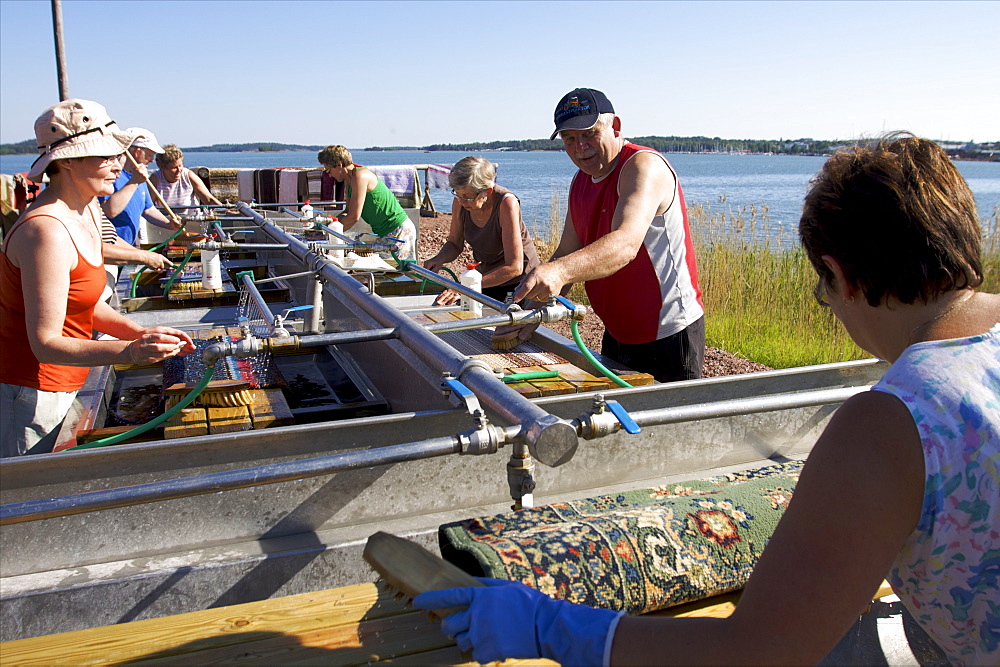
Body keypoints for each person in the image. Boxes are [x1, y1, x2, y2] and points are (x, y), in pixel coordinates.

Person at [413, 134, 1000, 665]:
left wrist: (548, 627)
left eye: (823, 293)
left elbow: (758, 653)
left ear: (838, 274)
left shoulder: (889, 424)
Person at [0, 100, 196, 458]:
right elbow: (45, 342)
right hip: (29, 393)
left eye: (117, 154)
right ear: (67, 161)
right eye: (105, 156)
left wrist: (139, 333)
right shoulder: (47, 230)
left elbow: (84, 304)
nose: (118, 164)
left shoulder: (86, 208)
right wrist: (129, 351)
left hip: (65, 381)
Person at [511, 88, 704, 382]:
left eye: (589, 134)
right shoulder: (581, 181)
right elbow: (567, 251)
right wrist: (528, 315)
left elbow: (625, 244)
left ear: (615, 126)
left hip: (668, 332)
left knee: (672, 423)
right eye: (569, 139)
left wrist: (559, 272)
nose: (580, 147)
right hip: (617, 332)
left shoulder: (643, 166)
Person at [423, 156, 542, 347]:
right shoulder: (461, 203)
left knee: (511, 339)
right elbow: (454, 243)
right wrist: (438, 259)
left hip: (520, 285)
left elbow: (514, 267)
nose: (462, 201)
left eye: (468, 196)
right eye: (457, 194)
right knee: (474, 331)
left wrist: (466, 288)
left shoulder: (506, 203)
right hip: (486, 278)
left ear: (487, 190)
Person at [317, 145, 417, 260]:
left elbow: (354, 217)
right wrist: (328, 227)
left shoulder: (360, 176)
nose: (329, 175)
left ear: (339, 164)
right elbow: (348, 212)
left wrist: (328, 236)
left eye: (329, 170)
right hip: (385, 232)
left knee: (395, 272)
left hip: (398, 230)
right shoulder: (349, 181)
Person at [100, 128, 181, 247]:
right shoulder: (112, 176)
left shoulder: (140, 177)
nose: (152, 160)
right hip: (110, 247)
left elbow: (148, 209)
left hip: (129, 246)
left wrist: (168, 223)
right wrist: (134, 182)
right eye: (149, 155)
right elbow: (110, 211)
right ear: (137, 152)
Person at [149, 144, 223, 218]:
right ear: (162, 167)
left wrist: (226, 210)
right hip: (166, 222)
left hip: (191, 220)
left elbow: (209, 200)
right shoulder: (155, 179)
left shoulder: (188, 175)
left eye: (180, 165)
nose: (179, 170)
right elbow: (149, 206)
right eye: (174, 167)